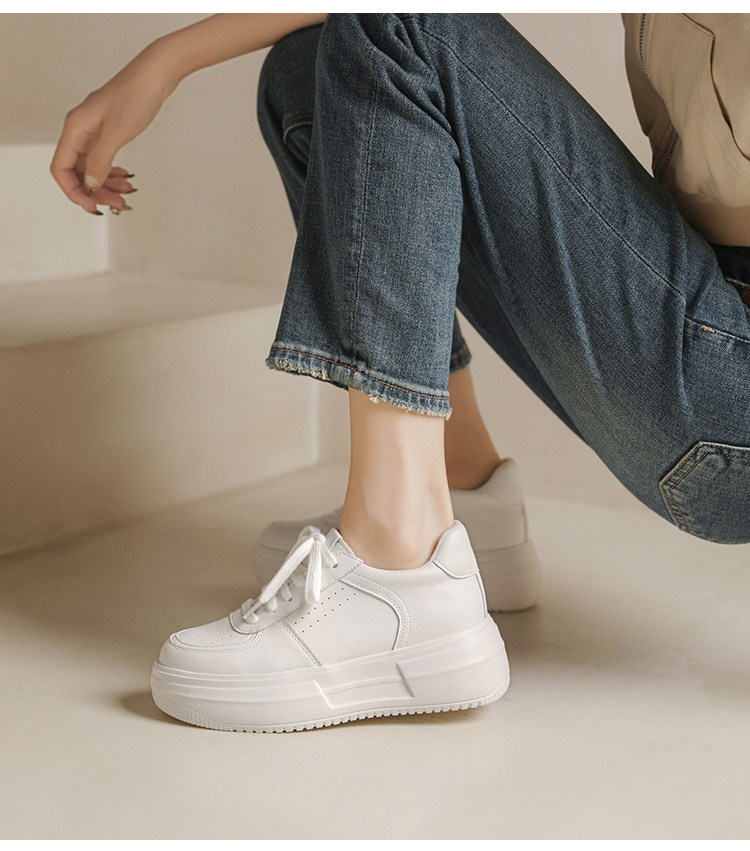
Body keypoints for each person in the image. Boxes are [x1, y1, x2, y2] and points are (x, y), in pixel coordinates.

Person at [51, 13, 750, 733]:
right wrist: (165, 62)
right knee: (307, 73)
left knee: (401, 24)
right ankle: (454, 485)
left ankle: (400, 561)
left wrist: (163, 63)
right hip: (714, 312)